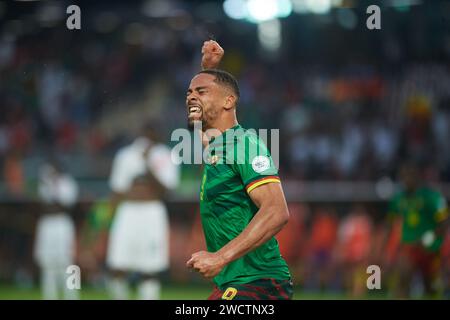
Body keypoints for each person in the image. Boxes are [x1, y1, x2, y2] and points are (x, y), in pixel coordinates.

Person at [185, 40, 293, 300]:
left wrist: (220, 257)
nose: (190, 96)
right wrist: (207, 69)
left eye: (201, 91)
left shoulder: (244, 143)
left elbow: (277, 211)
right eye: (189, 92)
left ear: (229, 101)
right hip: (233, 283)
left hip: (259, 282)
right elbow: (203, 132)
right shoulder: (216, 145)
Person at [106, 122, 180, 300]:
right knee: (118, 265)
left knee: (150, 267)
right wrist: (108, 218)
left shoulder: (167, 155)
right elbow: (117, 190)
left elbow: (167, 190)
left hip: (152, 212)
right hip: (128, 212)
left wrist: (148, 165)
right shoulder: (125, 155)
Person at [385, 162, 449, 298]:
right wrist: (386, 251)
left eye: (409, 175)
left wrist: (427, 239)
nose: (406, 180)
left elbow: (444, 223)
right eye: (403, 176)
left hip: (431, 249)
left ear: (417, 176)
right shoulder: (398, 199)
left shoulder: (432, 197)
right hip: (409, 248)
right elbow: (389, 225)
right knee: (402, 279)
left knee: (431, 288)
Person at [33, 161, 79, 300]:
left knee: (68, 260)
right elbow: (42, 203)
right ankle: (49, 296)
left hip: (62, 223)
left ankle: (72, 296)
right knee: (47, 262)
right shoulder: (43, 182)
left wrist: (55, 187)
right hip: (47, 223)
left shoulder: (68, 183)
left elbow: (66, 204)